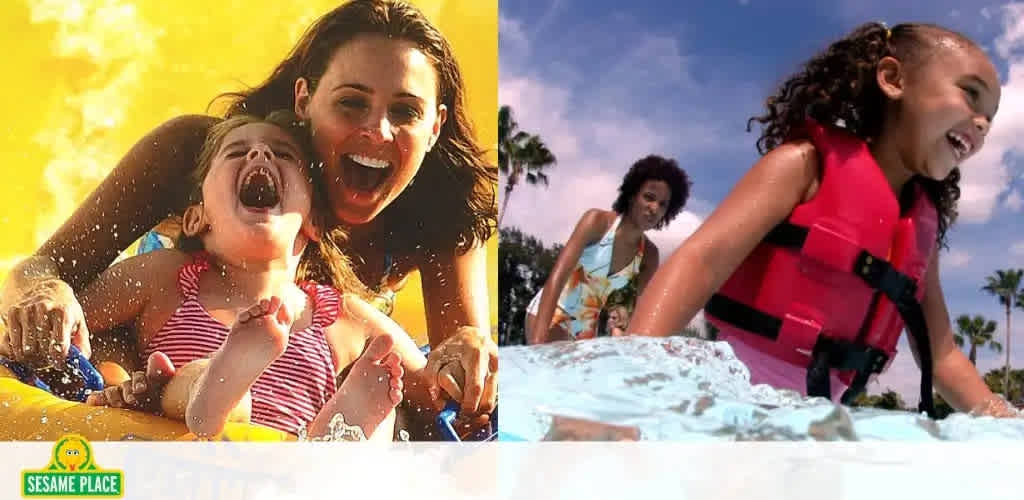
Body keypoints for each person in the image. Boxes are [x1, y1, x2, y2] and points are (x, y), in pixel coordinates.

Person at [0, 0, 496, 418]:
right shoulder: (204, 157)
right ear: (305, 98)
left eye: (406, 111)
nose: (377, 130)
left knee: (387, 389)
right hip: (159, 361)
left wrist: (467, 352)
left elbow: (449, 396)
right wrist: (50, 298)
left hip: (298, 389)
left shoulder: (442, 210)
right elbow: (48, 269)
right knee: (97, 350)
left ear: (435, 126)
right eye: (350, 103)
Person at [628, 22, 1019, 418]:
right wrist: (627, 381)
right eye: (970, 95)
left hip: (820, 420)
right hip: (728, 397)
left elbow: (944, 356)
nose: (983, 123)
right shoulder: (803, 166)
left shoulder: (921, 234)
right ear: (892, 79)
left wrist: (1003, 420)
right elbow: (701, 261)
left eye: (989, 115)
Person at [64, 111, 429, 440]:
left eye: (284, 155)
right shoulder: (168, 275)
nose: (260, 155)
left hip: (284, 476)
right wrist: (108, 368)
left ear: (314, 222)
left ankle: (337, 439)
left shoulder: (341, 315)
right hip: (193, 441)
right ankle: (219, 388)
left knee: (385, 398)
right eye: (237, 152)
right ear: (197, 217)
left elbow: (428, 388)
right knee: (190, 378)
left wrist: (460, 360)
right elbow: (73, 319)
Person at [526, 155, 691, 343]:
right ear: (632, 195)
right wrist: (537, 344)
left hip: (585, 333)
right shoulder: (596, 222)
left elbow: (628, 314)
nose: (655, 208)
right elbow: (556, 279)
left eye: (663, 204)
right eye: (649, 197)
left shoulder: (649, 256)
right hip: (550, 315)